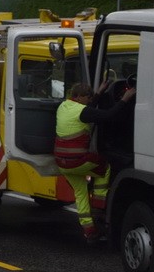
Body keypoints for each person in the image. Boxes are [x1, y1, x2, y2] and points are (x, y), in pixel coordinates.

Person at [54, 81, 136, 243]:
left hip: (62, 163)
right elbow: (109, 115)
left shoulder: (64, 107)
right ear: (79, 97)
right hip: (77, 161)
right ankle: (99, 206)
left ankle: (90, 231)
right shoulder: (81, 111)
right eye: (88, 97)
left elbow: (90, 109)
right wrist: (125, 99)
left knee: (81, 193)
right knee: (105, 167)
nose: (89, 99)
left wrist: (99, 92)